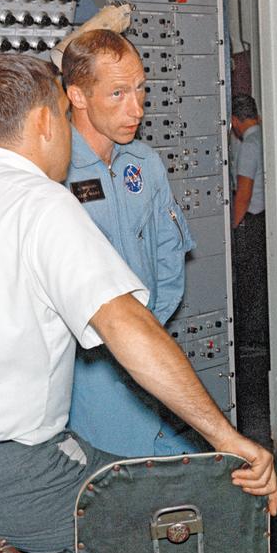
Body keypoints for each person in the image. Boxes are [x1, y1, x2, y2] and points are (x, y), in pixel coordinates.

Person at [0, 53, 277, 553]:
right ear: (43, 121)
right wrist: (227, 438)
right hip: (12, 478)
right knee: (195, 520)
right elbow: (128, 327)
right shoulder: (43, 204)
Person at [62, 28, 198, 457]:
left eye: (140, 90)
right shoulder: (53, 171)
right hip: (81, 370)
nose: (136, 109)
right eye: (118, 93)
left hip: (144, 352)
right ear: (78, 96)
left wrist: (143, 335)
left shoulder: (146, 164)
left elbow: (169, 262)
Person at [229, 92, 268, 353]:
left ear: (234, 121)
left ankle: (249, 341)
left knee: (249, 283)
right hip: (265, 219)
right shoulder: (265, 138)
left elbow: (243, 194)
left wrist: (231, 228)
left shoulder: (250, 146)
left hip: (252, 222)